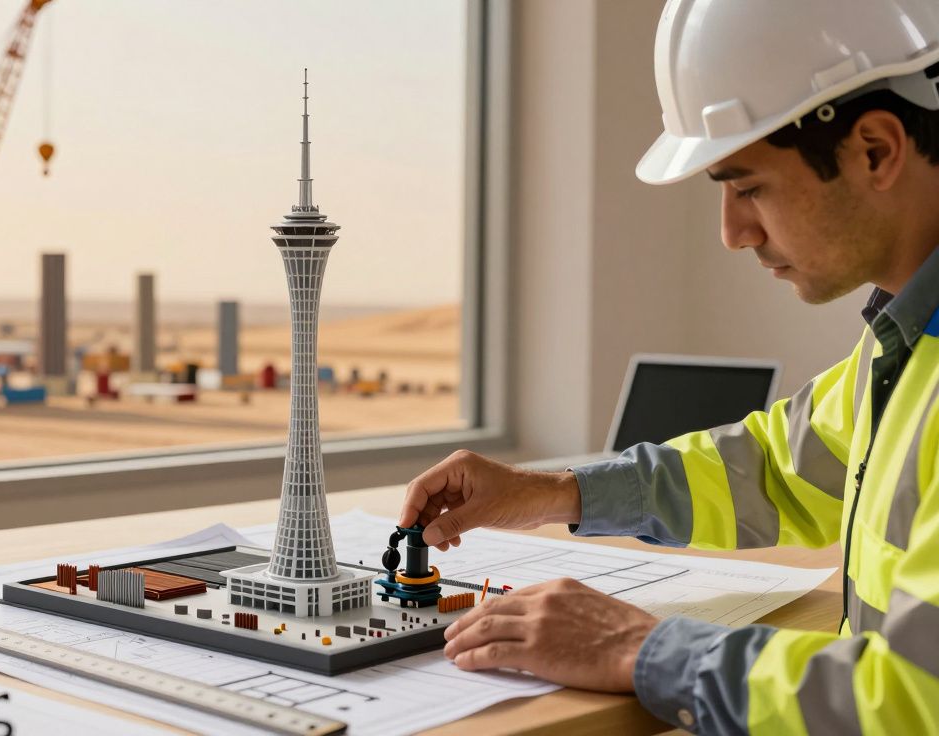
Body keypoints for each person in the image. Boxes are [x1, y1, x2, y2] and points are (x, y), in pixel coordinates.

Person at [400, 2, 939, 733]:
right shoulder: (905, 341)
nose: (731, 232)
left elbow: (914, 698)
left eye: (747, 187)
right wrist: (551, 493)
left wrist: (638, 647)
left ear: (875, 150)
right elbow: (776, 469)